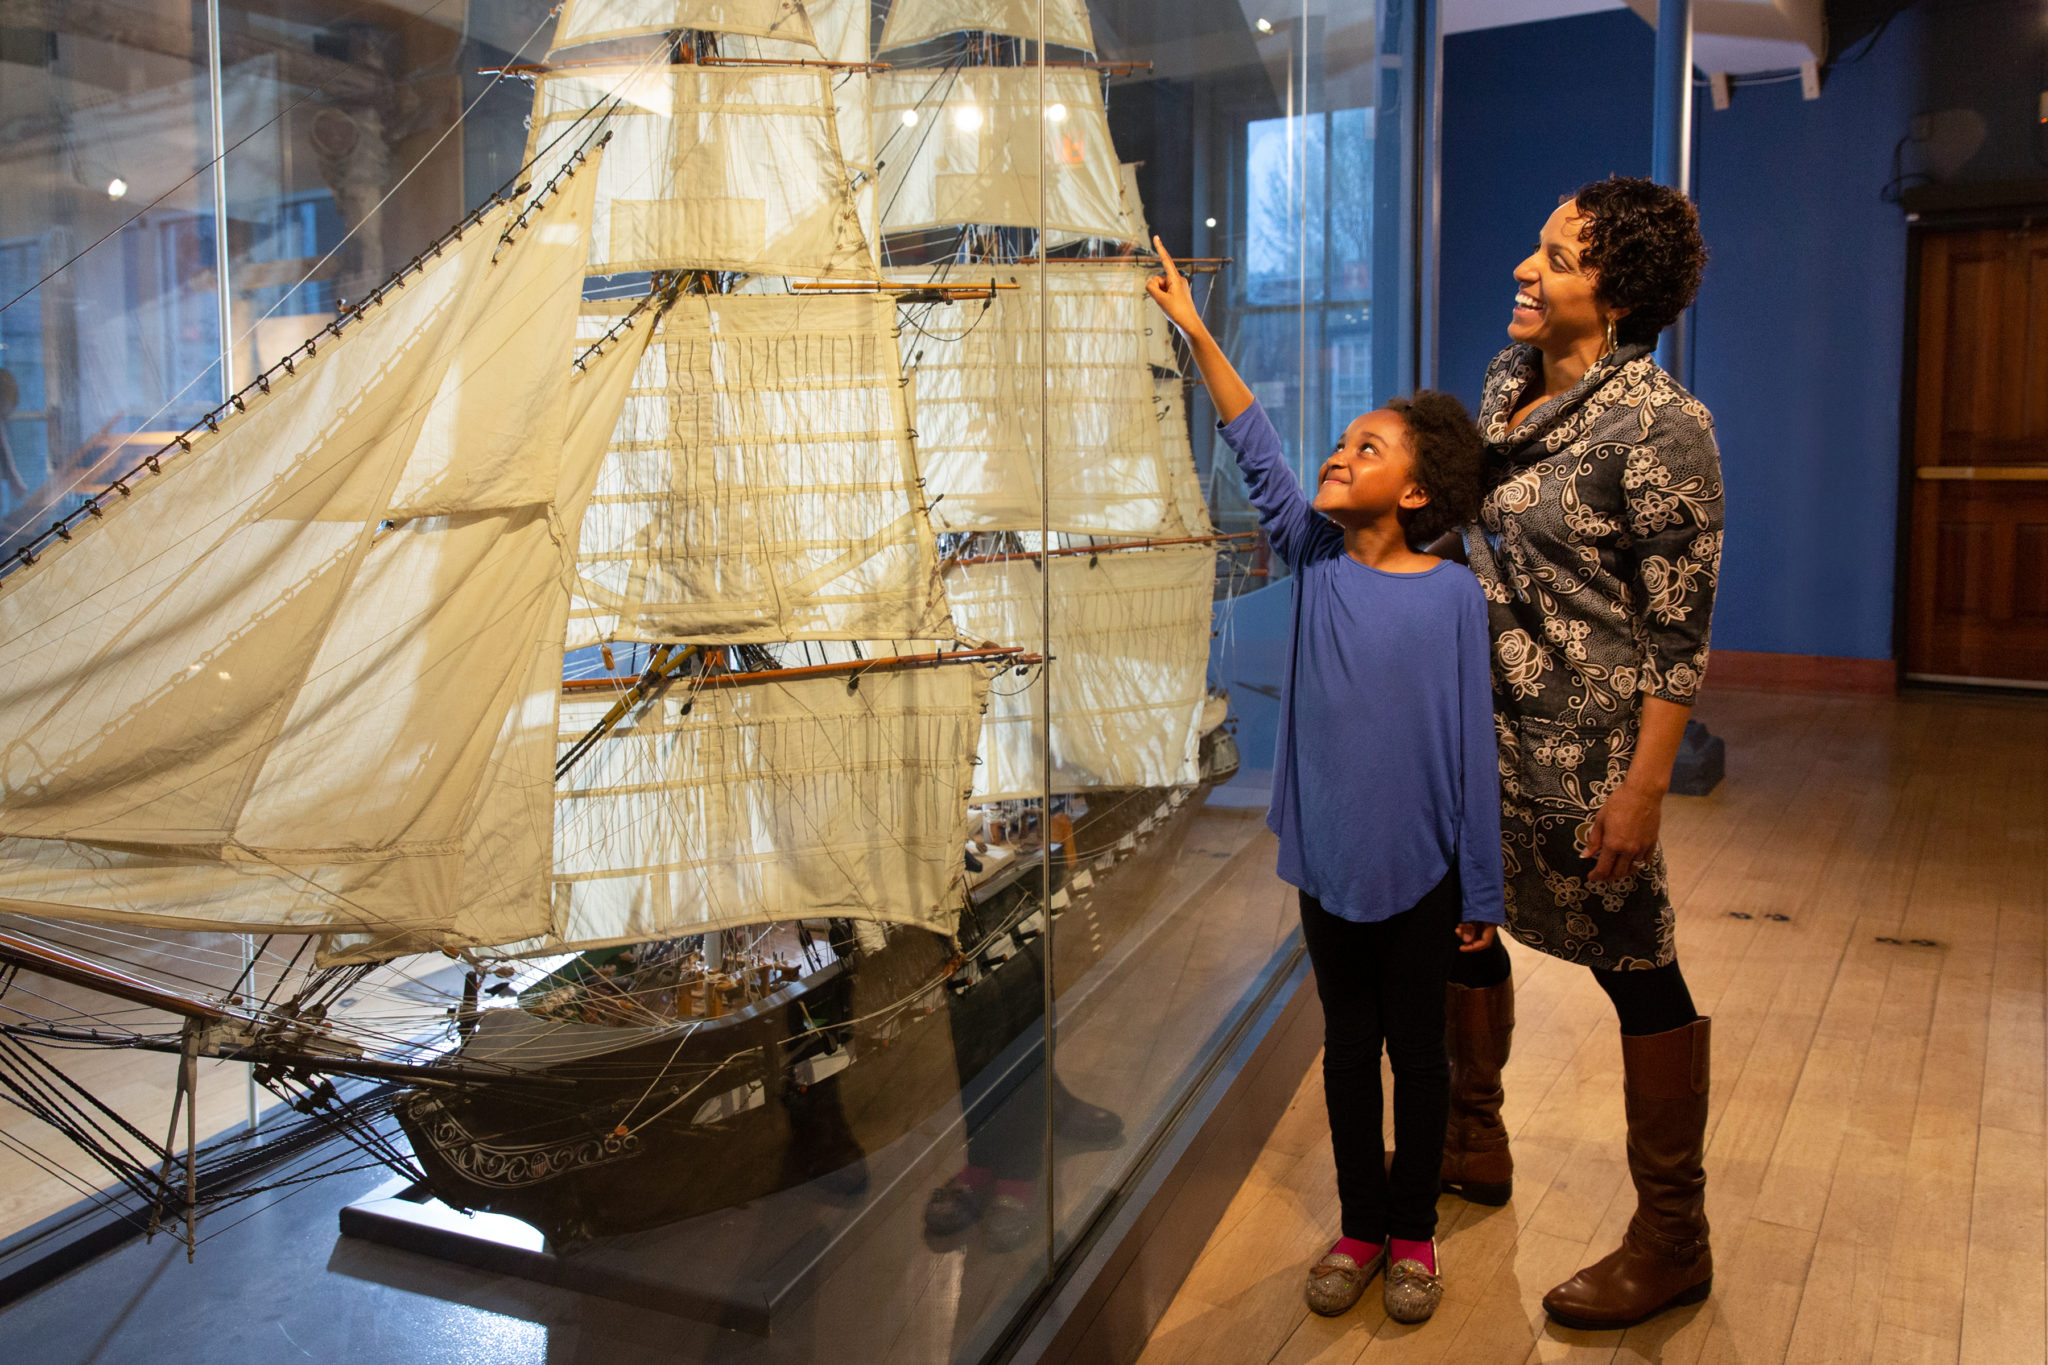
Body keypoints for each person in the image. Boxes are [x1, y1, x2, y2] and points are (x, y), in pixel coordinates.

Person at [1148, 239, 1506, 1325]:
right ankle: (1358, 1227)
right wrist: (1198, 333)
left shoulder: (1450, 598)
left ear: (1418, 490)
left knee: (1418, 1060)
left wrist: (1479, 894)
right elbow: (1254, 442)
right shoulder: (1309, 558)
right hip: (1327, 869)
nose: (1340, 456)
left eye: (1368, 448)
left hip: (1422, 875)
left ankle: (1412, 1235)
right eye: (1345, 442)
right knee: (1345, 1056)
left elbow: (1468, 752)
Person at [1439, 175, 1722, 1331]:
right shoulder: (1506, 385)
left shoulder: (1662, 425)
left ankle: (1672, 1235)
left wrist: (1641, 793)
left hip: (1587, 757)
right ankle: (1472, 1134)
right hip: (1475, 733)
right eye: (1537, 246)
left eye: (1554, 258)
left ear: (1612, 297)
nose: (1524, 268)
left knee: (1633, 965)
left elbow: (1676, 636)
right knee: (1459, 922)